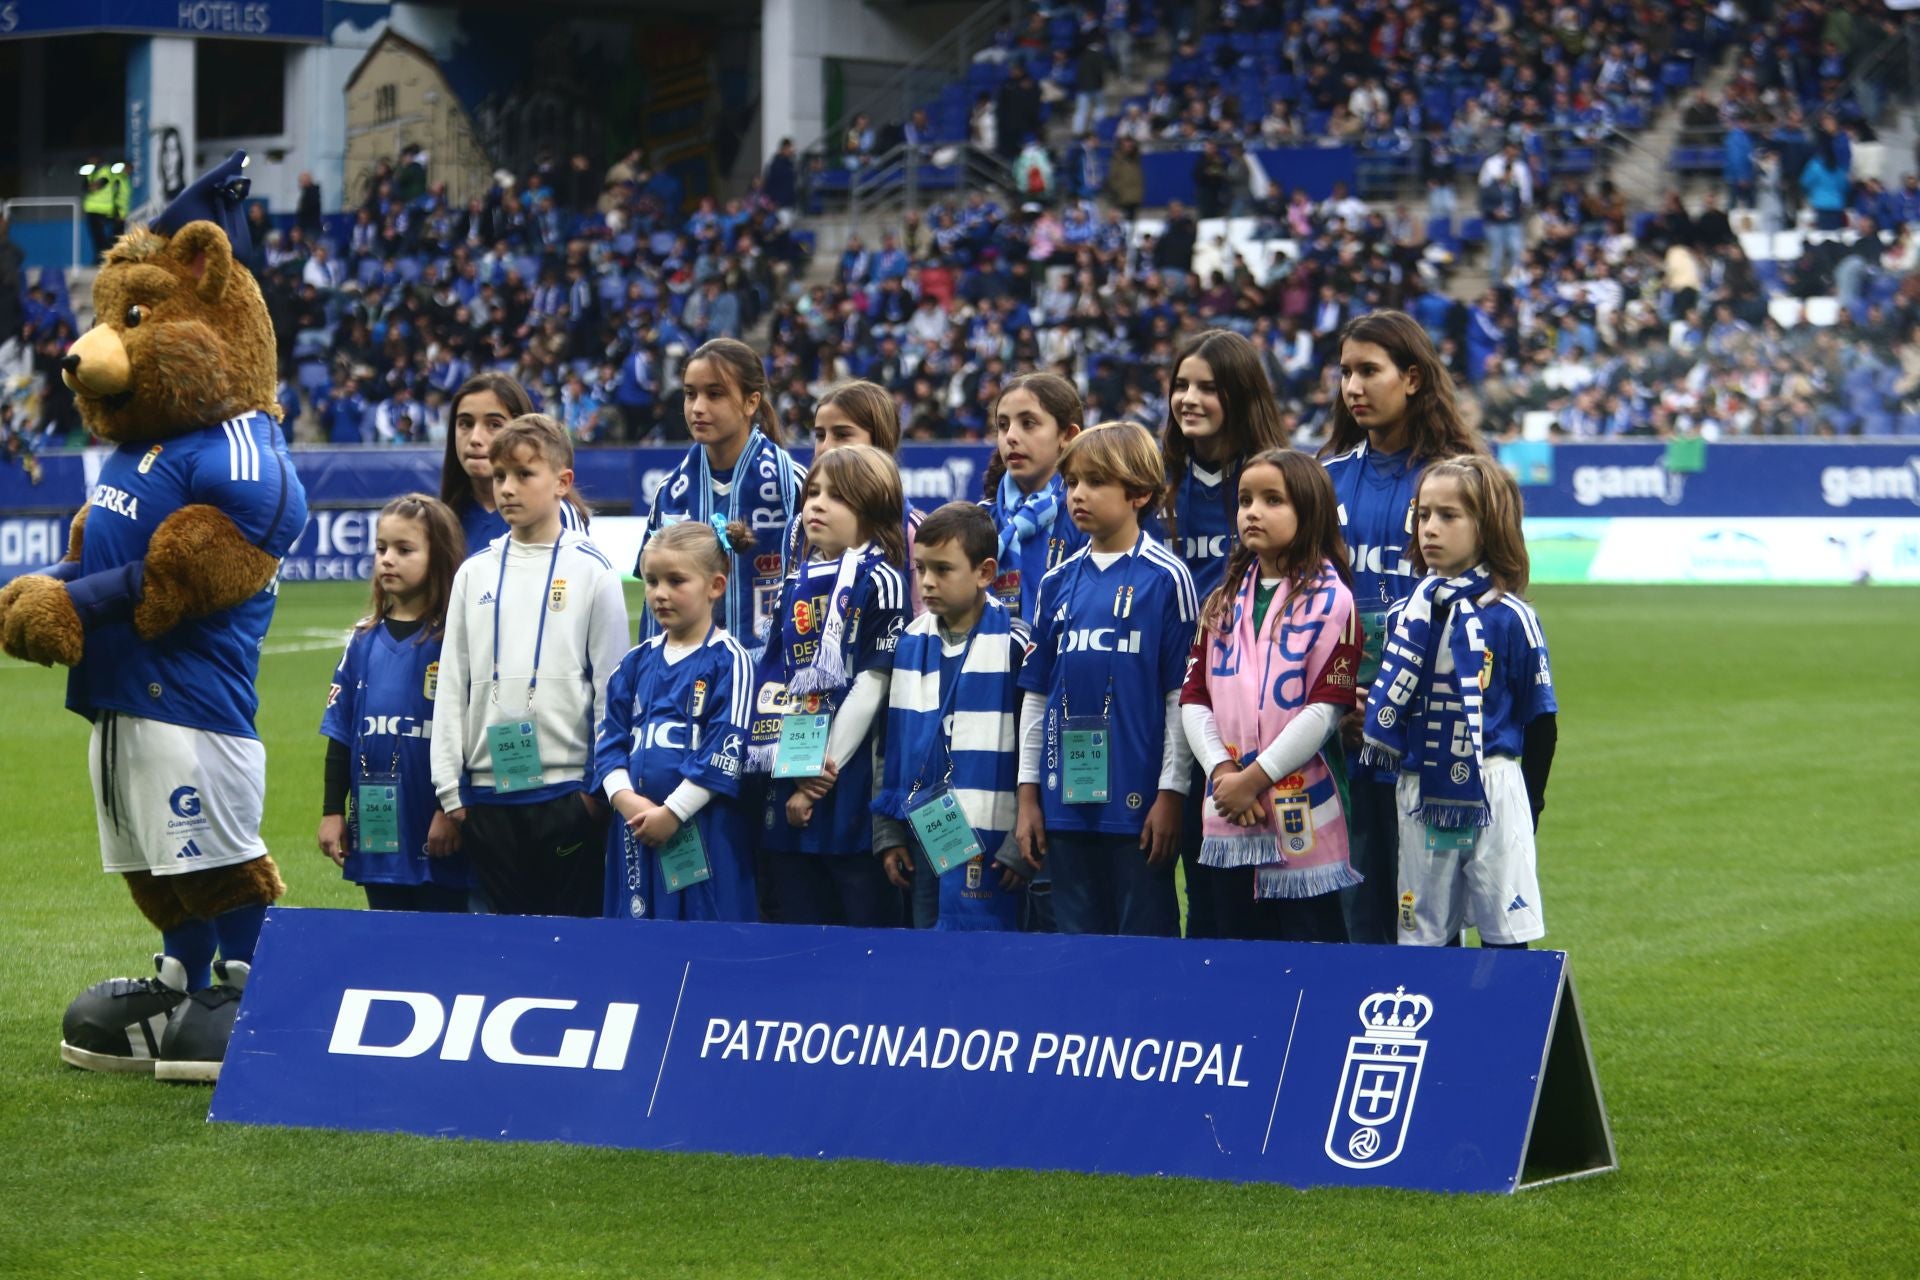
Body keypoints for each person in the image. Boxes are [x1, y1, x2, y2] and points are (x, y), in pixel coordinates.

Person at [1318, 310, 1486, 945]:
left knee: (1428, 914)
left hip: (1432, 729)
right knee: (1353, 910)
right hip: (1338, 726)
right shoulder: (1323, 480)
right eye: (1345, 373)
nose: (1353, 387)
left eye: (1369, 371)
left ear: (1412, 378)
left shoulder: (1462, 480)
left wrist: (1396, 704)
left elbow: (1485, 604)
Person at [430, 415, 628, 917]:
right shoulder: (474, 573)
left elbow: (612, 689)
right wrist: (451, 789)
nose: (507, 489)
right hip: (487, 795)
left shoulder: (593, 572)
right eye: (499, 477)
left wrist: (594, 790)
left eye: (523, 475)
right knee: (501, 947)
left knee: (570, 940)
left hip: (566, 793)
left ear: (562, 483)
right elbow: (453, 683)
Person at [1360, 455, 1557, 949]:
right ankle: (1438, 1026)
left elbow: (1542, 722)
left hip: (1493, 785)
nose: (1430, 528)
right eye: (1424, 514)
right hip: (1420, 787)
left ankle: (1505, 1026)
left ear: (1486, 526)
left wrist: (1529, 802)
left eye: (1449, 516)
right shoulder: (1405, 613)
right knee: (1425, 942)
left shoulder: (1511, 618)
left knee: (1505, 936)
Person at [1014, 422, 1196, 937]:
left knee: (1145, 953)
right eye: (1072, 482)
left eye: (1094, 482)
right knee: (1075, 951)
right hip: (1064, 805)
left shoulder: (1167, 578)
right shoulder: (1055, 582)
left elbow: (1179, 697)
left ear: (1139, 492)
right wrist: (1029, 796)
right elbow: (1037, 695)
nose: (1077, 495)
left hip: (1139, 810)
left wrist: (1171, 793)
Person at [1180, 450, 1362, 942]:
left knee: (1311, 960)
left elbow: (1326, 709)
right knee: (1237, 959)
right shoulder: (1221, 600)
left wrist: (1254, 778)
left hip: (1302, 812)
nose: (1252, 512)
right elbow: (1194, 697)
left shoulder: (1334, 600)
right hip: (1229, 809)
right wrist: (1223, 772)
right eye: (1244, 500)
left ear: (1310, 511)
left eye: (1272, 500)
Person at [1159, 328, 1293, 938]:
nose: (1188, 399)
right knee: (1196, 881)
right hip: (1171, 707)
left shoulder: (1279, 486)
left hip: (1258, 715)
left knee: (1262, 890)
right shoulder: (1154, 484)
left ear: (1239, 396)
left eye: (1208, 388)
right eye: (1181, 386)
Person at [747, 445, 908, 926]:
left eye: (836, 496)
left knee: (859, 923)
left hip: (845, 782)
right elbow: (772, 680)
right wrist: (790, 765)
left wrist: (817, 777)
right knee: (796, 919)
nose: (815, 503)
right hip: (791, 778)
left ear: (872, 509)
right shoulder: (794, 583)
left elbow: (871, 686)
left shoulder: (882, 579)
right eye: (812, 492)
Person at [873, 502, 1030, 931]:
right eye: (921, 568)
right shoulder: (908, 643)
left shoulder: (1015, 646)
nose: (927, 582)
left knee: (991, 965)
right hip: (925, 834)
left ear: (984, 572)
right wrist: (888, 833)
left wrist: (1021, 842)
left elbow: (1033, 753)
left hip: (994, 841)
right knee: (928, 959)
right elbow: (890, 745)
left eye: (943, 569)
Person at [317, 494, 474, 912]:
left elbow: (469, 739)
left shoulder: (455, 639)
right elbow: (341, 734)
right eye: (382, 548)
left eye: (405, 550)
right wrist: (333, 810)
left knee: (443, 941)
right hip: (375, 824)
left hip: (437, 822)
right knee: (387, 934)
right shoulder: (362, 639)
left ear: (438, 557)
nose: (388, 559)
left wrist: (450, 808)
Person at [595, 521, 756, 922]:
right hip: (635, 833)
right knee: (635, 952)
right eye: (651, 581)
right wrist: (625, 799)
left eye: (676, 580)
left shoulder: (730, 661)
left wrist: (672, 813)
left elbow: (725, 750)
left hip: (700, 835)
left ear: (715, 586)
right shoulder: (633, 664)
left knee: (703, 953)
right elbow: (608, 743)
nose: (659, 593)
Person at [637, 338, 805, 662]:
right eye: (690, 394)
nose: (698, 407)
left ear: (750, 402)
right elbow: (651, 606)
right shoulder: (670, 494)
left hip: (773, 678)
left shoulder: (791, 485)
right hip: (688, 677)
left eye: (714, 394)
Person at [790, 379, 925, 615]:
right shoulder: (799, 529)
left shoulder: (913, 531)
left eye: (842, 435)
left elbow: (923, 626)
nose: (826, 448)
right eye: (820, 435)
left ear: (880, 441)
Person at [980, 373, 1087, 622]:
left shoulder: (1087, 518)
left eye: (1028, 423)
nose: (1011, 437)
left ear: (1067, 435)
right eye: (1003, 425)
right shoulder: (980, 520)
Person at [441, 373, 585, 557]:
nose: (475, 438)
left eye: (494, 424)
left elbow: (575, 581)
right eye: (465, 424)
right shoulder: (443, 519)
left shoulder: (557, 512)